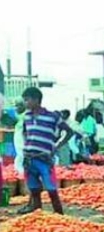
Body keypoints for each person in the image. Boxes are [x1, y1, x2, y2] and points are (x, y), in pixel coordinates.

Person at [18, 87, 74, 215]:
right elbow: (25, 132)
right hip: (29, 159)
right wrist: (27, 145)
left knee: (52, 190)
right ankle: (38, 216)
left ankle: (60, 216)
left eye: (27, 100)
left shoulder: (53, 116)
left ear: (36, 100)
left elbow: (69, 132)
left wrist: (57, 146)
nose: (25, 103)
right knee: (34, 190)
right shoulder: (26, 116)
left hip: (44, 159)